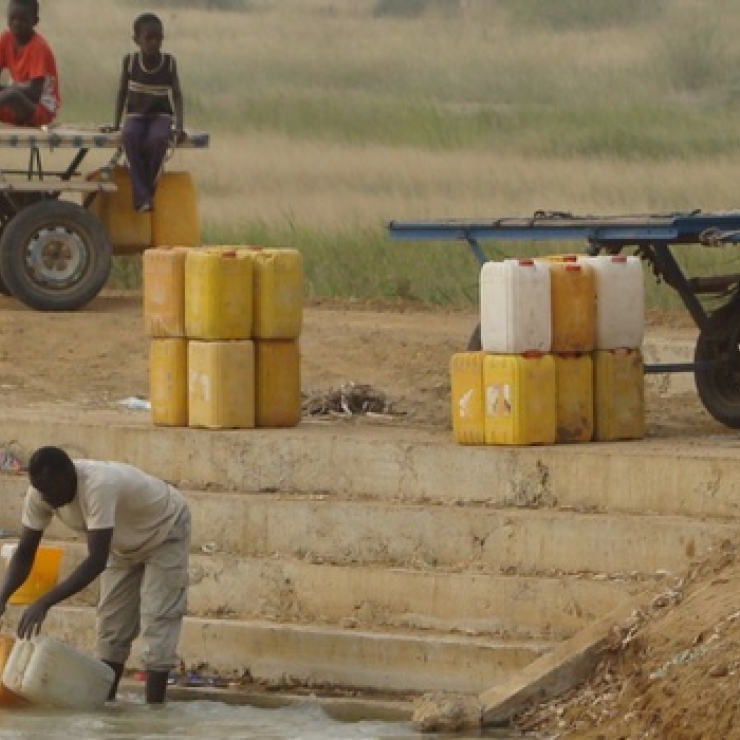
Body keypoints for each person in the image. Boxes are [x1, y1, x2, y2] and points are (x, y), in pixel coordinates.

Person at [0, 446, 191, 705]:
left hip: (164, 529)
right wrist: (2, 596)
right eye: (41, 490)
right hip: (120, 545)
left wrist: (45, 601)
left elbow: (95, 561)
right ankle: (105, 710)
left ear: (69, 476)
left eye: (51, 490)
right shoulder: (41, 493)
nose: (46, 498)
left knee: (158, 618)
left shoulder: (99, 485)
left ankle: (155, 713)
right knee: (111, 629)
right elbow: (24, 552)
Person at [108, 13, 186, 212]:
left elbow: (177, 95)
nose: (154, 43)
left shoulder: (169, 63)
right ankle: (145, 197)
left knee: (158, 139)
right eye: (148, 38)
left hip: (161, 116)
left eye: (158, 38)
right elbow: (121, 92)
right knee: (130, 136)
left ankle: (143, 197)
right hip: (136, 116)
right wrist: (116, 124)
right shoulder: (130, 62)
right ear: (136, 40)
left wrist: (179, 126)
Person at [0, 0, 60, 127]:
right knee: (9, 94)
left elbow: (34, 92)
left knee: (11, 95)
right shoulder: (5, 39)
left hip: (42, 109)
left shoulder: (38, 47)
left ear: (35, 21)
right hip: (17, 105)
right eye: (13, 18)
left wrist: (6, 91)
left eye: (22, 20)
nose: (16, 23)